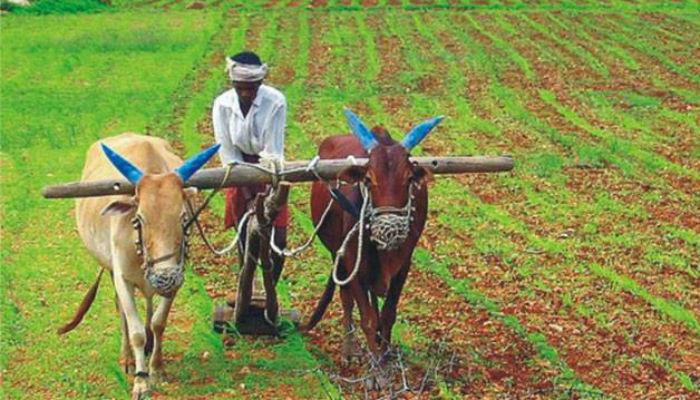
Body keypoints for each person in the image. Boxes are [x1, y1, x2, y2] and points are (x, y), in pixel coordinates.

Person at [212, 51, 288, 284]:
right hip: (237, 169)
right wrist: (246, 193)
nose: (246, 92)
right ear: (233, 83)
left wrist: (268, 196)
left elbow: (273, 150)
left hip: (269, 168)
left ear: (260, 82)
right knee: (245, 234)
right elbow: (227, 151)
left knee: (278, 238)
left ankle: (269, 288)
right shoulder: (223, 104)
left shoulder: (275, 101)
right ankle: (246, 283)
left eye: (252, 87)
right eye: (241, 87)